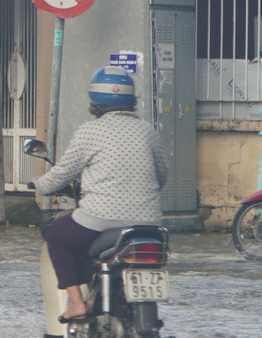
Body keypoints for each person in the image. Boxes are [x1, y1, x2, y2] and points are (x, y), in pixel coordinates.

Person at [32, 65, 168, 323]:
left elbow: (63, 173)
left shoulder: (90, 131)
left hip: (101, 219)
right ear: (131, 99)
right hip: (148, 223)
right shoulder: (147, 131)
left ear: (94, 99)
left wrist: (40, 184)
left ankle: (76, 304)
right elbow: (162, 175)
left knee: (57, 234)